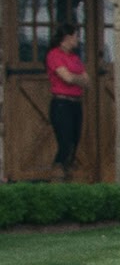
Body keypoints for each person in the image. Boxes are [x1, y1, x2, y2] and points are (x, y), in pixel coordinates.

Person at [45, 23, 86, 178]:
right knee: (65, 142)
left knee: (75, 141)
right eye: (75, 36)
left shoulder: (74, 58)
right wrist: (77, 78)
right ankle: (56, 175)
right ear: (67, 38)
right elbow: (66, 77)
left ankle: (67, 175)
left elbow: (87, 81)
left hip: (76, 102)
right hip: (61, 103)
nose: (77, 40)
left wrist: (75, 78)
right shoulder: (54, 55)